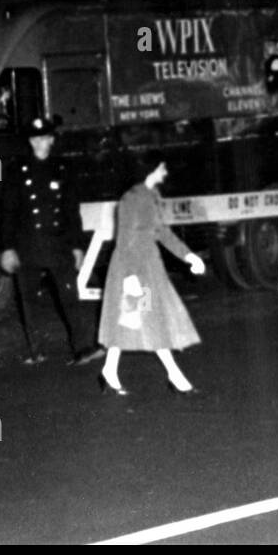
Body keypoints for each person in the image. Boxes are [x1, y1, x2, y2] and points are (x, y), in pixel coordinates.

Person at [97, 156, 207, 395]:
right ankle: (176, 377)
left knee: (132, 318)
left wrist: (189, 256)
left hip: (149, 268)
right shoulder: (131, 200)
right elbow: (124, 240)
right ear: (151, 170)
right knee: (149, 318)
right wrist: (130, 277)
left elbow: (162, 232)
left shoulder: (152, 196)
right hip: (133, 269)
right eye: (162, 168)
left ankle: (109, 370)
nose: (165, 172)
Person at [0, 116, 102, 366]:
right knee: (29, 300)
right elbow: (8, 212)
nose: (40, 143)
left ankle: (83, 348)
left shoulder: (63, 169)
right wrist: (7, 248)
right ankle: (36, 350)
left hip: (58, 243)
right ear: (30, 141)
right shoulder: (15, 169)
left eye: (45, 138)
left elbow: (71, 211)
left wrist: (77, 246)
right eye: (36, 138)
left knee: (71, 296)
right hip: (28, 244)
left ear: (52, 140)